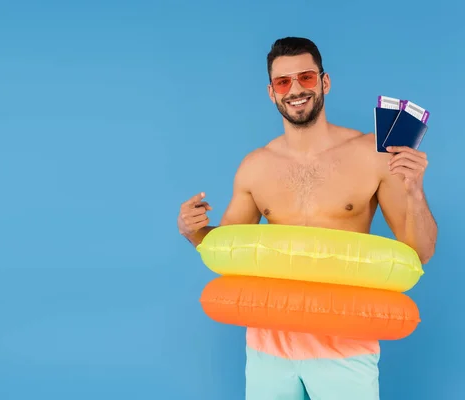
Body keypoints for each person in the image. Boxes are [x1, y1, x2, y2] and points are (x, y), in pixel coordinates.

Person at [177, 37, 438, 400]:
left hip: (346, 345)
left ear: (324, 82)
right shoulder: (255, 168)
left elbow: (420, 253)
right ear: (271, 92)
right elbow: (228, 253)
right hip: (268, 345)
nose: (295, 89)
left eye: (306, 77)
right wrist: (194, 231)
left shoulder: (371, 155)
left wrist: (415, 192)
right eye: (284, 82)